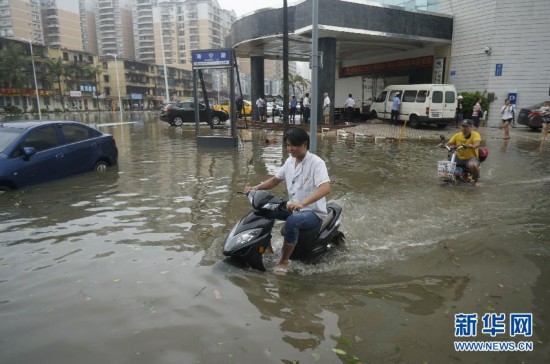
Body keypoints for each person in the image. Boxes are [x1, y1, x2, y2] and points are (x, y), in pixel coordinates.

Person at [243, 127, 331, 271]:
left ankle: (284, 261)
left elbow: (325, 188)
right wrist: (254, 188)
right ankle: (268, 249)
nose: (290, 149)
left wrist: (302, 203)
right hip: (293, 207)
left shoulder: (316, 163)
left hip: (313, 212)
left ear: (304, 144)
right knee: (262, 210)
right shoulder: (290, 161)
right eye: (288, 145)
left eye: (294, 145)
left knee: (292, 222)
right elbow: (275, 180)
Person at [442, 119, 482, 185]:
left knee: (473, 165)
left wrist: (471, 146)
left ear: (471, 127)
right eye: (462, 126)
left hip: (470, 157)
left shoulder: (475, 134)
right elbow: (449, 143)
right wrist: (443, 145)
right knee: (444, 162)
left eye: (466, 126)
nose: (464, 128)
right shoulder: (457, 135)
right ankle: (445, 179)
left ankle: (476, 181)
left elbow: (477, 144)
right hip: (458, 157)